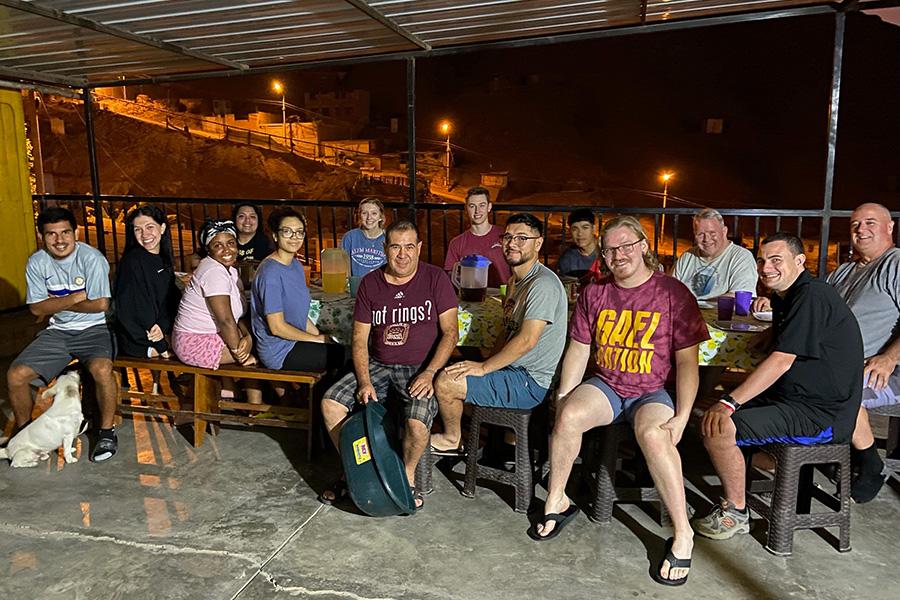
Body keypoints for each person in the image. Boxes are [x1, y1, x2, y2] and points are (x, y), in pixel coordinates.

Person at [532, 215, 708, 586]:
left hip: (654, 390)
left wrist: (683, 416)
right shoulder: (595, 292)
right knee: (569, 416)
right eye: (611, 248)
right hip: (609, 384)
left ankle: (683, 533)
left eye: (627, 245)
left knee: (655, 435)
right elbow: (579, 350)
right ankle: (557, 500)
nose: (618, 254)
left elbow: (687, 363)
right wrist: (564, 396)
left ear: (644, 246)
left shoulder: (673, 293)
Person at [694, 233, 863, 540]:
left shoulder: (812, 295)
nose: (765, 267)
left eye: (776, 260)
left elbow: (782, 361)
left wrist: (729, 402)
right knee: (710, 418)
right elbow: (789, 343)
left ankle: (736, 513)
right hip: (794, 400)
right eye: (762, 260)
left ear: (800, 262)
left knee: (720, 423)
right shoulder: (787, 296)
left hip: (822, 415)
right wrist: (772, 332)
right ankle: (760, 479)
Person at [753, 203, 898, 502]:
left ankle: (870, 462)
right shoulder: (844, 271)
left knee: (832, 391)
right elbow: (810, 310)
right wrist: (775, 331)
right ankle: (790, 452)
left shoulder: (895, 264)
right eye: (855, 224)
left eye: (870, 222)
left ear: (890, 228)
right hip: (829, 362)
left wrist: (890, 357)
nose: (861, 230)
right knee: (771, 373)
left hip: (880, 368)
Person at [320, 221, 458, 509]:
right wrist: (364, 380)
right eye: (395, 246)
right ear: (385, 249)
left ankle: (404, 478)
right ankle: (357, 471)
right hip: (379, 364)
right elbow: (359, 340)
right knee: (331, 403)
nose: (403, 254)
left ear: (419, 249)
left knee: (417, 424)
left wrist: (431, 372)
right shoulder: (371, 283)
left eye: (410, 246)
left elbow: (451, 333)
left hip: (420, 367)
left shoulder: (435, 279)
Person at [431, 213, 566, 453]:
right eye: (508, 237)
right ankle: (494, 442)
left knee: (445, 383)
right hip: (513, 371)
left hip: (529, 381)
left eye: (522, 238)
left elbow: (526, 340)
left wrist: (483, 368)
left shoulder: (542, 284)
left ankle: (453, 440)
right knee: (454, 367)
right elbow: (507, 331)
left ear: (538, 243)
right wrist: (485, 362)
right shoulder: (516, 282)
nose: (512, 243)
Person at [6, 207, 119, 462]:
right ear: (41, 236)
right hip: (58, 331)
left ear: (76, 232)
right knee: (16, 375)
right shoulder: (37, 262)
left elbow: (100, 305)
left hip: (95, 328)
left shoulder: (92, 259)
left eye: (65, 232)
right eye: (51, 234)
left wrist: (54, 303)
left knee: (102, 369)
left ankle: (106, 432)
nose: (59, 240)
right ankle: (26, 432)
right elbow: (36, 308)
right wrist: (77, 296)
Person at [251, 208, 345, 371]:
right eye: (287, 232)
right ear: (275, 235)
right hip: (280, 350)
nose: (294, 237)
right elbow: (276, 327)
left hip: (296, 340)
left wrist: (319, 336)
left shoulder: (296, 265)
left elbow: (300, 314)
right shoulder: (270, 273)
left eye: (299, 232)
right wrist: (317, 340)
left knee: (348, 348)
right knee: (344, 357)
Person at [172, 220, 258, 370]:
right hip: (194, 343)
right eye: (218, 245)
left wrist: (248, 337)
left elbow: (239, 316)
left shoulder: (230, 271)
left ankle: (229, 391)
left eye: (231, 243)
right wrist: (239, 352)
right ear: (208, 249)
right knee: (264, 351)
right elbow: (225, 320)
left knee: (259, 342)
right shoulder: (213, 271)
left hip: (213, 334)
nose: (226, 250)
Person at [114, 205, 180, 359]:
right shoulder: (134, 261)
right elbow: (135, 307)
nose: (145, 234)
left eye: (150, 227)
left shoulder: (163, 259)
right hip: (139, 340)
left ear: (162, 228)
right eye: (138, 229)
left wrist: (163, 328)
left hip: (159, 331)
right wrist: (161, 344)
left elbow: (167, 300)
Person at [672, 208, 758, 299]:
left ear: (724, 232)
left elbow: (740, 297)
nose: (706, 239)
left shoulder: (741, 257)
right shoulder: (687, 256)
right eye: (700, 234)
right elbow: (668, 289)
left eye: (712, 233)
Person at [443, 186, 510, 287]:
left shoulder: (504, 236)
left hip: (502, 296)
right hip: (472, 297)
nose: (477, 211)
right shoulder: (456, 243)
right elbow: (450, 275)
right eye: (472, 206)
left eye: (482, 205)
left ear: (489, 207)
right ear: (466, 208)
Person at [341, 198, 387, 277]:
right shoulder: (350, 237)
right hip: (356, 286)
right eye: (364, 213)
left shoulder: (389, 238)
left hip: (381, 286)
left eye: (374, 213)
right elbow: (343, 266)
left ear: (380, 217)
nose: (369, 217)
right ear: (360, 216)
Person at [557, 208, 599, 278]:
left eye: (585, 228)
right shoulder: (567, 258)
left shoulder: (606, 253)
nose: (580, 233)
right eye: (575, 229)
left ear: (594, 229)